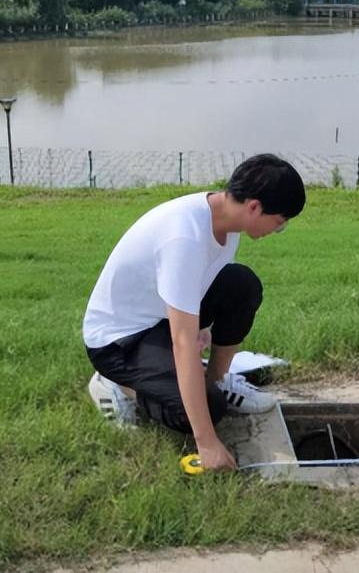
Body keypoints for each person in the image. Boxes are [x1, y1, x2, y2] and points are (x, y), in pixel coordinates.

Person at [83, 153, 305, 471]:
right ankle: (116, 386)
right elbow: (183, 342)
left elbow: (201, 289)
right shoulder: (184, 235)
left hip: (157, 317)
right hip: (119, 341)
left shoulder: (225, 225)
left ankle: (216, 380)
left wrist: (201, 328)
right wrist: (207, 442)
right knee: (204, 412)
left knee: (241, 284)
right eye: (280, 223)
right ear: (255, 207)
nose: (277, 229)